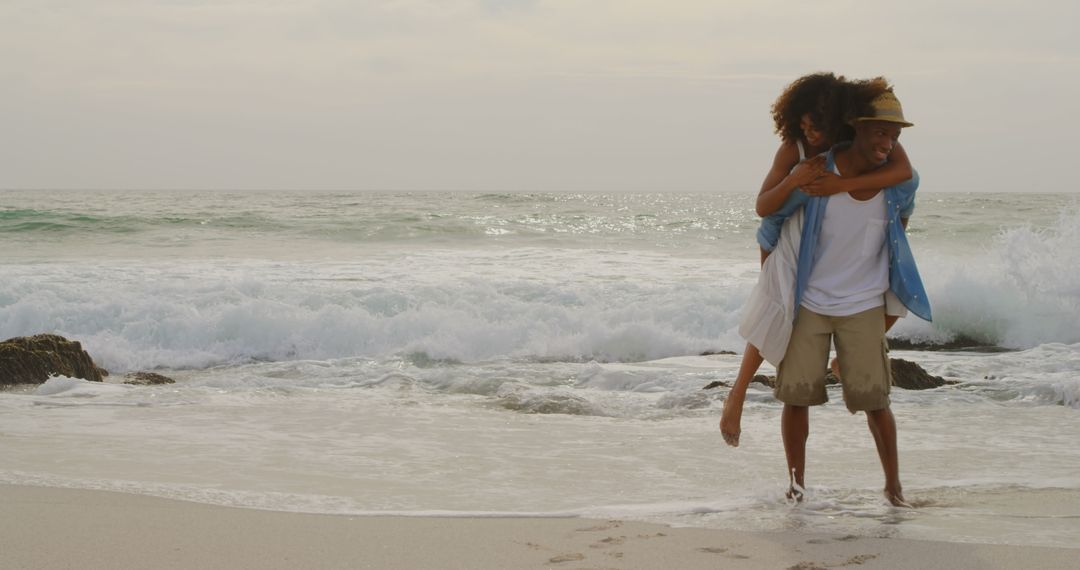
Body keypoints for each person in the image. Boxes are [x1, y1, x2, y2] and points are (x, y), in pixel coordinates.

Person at [719, 76, 915, 447]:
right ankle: (737, 395)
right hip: (780, 231)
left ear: (841, 122)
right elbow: (764, 208)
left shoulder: (854, 143)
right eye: (804, 126)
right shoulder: (793, 149)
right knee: (774, 309)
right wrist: (795, 179)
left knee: (896, 288)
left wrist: (841, 187)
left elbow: (906, 174)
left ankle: (842, 362)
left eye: (818, 128)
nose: (811, 135)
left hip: (827, 234)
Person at [770, 90, 930, 507]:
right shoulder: (818, 173)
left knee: (876, 401)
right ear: (856, 128)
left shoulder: (898, 182)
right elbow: (773, 215)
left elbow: (903, 221)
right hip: (810, 302)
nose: (887, 143)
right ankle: (796, 486)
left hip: (863, 304)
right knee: (797, 397)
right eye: (880, 132)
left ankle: (894, 488)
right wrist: (769, 271)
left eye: (894, 136)